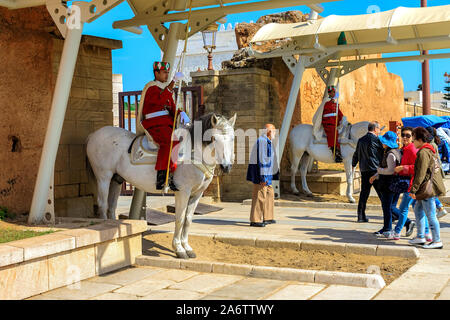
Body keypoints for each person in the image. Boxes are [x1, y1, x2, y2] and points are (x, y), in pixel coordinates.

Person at [140, 61, 189, 191]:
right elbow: (161, 100)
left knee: (179, 142)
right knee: (169, 141)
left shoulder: (165, 89)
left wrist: (181, 113)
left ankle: (171, 174)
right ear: (156, 73)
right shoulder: (152, 87)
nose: (166, 75)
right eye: (164, 72)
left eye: (168, 73)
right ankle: (161, 177)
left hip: (166, 122)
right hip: (154, 123)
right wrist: (173, 82)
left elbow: (171, 107)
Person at [408, 127, 445, 249]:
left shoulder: (423, 152)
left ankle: (437, 240)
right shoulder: (430, 149)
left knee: (431, 215)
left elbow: (421, 173)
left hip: (426, 189)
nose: (412, 141)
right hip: (428, 187)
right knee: (418, 209)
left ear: (419, 139)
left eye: (413, 138)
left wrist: (413, 189)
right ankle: (420, 236)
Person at [369, 131, 402, 237]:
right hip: (393, 184)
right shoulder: (395, 151)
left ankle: (392, 227)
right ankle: (387, 228)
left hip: (388, 184)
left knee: (387, 208)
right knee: (390, 207)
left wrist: (379, 170)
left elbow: (390, 170)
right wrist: (376, 175)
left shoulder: (390, 154)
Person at [387, 127, 418, 240]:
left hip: (412, 184)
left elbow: (418, 168)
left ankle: (397, 231)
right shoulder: (405, 149)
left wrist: (402, 168)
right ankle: (425, 233)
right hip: (410, 183)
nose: (405, 137)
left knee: (403, 208)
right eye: (403, 135)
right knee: (417, 209)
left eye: (408, 136)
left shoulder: (412, 150)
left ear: (413, 137)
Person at [246, 124, 279, 227]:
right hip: (261, 174)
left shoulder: (268, 141)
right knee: (259, 195)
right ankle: (255, 220)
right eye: (274, 131)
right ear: (268, 132)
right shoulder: (262, 141)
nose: (275, 133)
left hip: (268, 174)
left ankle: (268, 217)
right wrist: (263, 177)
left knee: (269, 193)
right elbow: (263, 160)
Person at [352, 121, 384, 222]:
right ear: (375, 129)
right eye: (379, 129)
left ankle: (361, 216)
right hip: (374, 170)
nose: (379, 131)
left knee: (364, 193)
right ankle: (391, 213)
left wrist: (353, 164)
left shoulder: (361, 140)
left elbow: (356, 154)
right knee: (382, 193)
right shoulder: (376, 139)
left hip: (364, 169)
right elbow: (381, 153)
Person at [322, 85, 344, 163]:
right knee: (332, 133)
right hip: (328, 123)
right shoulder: (326, 102)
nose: (334, 93)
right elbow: (324, 114)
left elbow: (339, 113)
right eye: (333, 92)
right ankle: (335, 153)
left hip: (335, 124)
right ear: (329, 93)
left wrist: (344, 119)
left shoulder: (335, 103)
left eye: (335, 92)